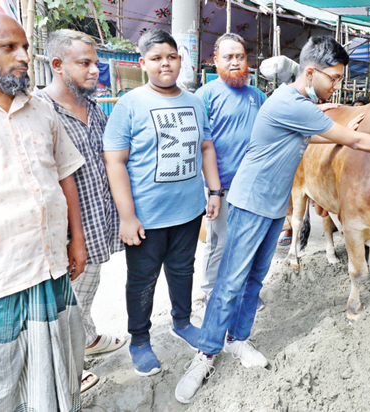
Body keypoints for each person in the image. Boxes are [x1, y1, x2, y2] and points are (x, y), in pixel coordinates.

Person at [174, 35, 370, 404]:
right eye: (333, 78)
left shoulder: (297, 103)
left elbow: (306, 136)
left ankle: (237, 340)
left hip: (272, 208)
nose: (336, 85)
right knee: (230, 282)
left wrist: (344, 125)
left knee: (254, 278)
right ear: (311, 71)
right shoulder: (291, 102)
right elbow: (357, 143)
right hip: (251, 203)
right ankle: (205, 356)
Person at [0, 10, 87, 411]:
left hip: (51, 266)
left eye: (25, 46)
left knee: (61, 371)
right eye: (8, 47)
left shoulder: (40, 108)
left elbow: (65, 174)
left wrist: (78, 239)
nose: (23, 56)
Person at [103, 29, 222, 377]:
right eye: (156, 58)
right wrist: (127, 216)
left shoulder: (195, 102)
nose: (165, 64)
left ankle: (182, 321)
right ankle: (139, 340)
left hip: (187, 211)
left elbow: (205, 148)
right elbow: (115, 161)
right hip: (146, 218)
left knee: (184, 269)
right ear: (143, 64)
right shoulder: (130, 105)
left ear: (180, 60)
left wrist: (213, 192)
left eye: (171, 56)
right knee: (142, 280)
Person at [34, 29, 127, 392]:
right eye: (84, 64)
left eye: (96, 63)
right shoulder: (40, 110)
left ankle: (86, 339)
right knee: (65, 303)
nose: (94, 71)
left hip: (97, 223)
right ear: (57, 65)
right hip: (68, 233)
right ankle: (70, 369)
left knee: (87, 291)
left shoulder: (93, 109)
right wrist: (72, 236)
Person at [194, 33, 267, 302]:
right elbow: (201, 144)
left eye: (240, 56)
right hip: (220, 187)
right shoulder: (205, 95)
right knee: (219, 243)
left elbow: (282, 125)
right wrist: (213, 189)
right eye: (228, 57)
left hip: (251, 186)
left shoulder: (258, 96)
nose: (235, 62)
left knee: (248, 242)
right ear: (216, 60)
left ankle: (243, 291)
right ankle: (210, 292)